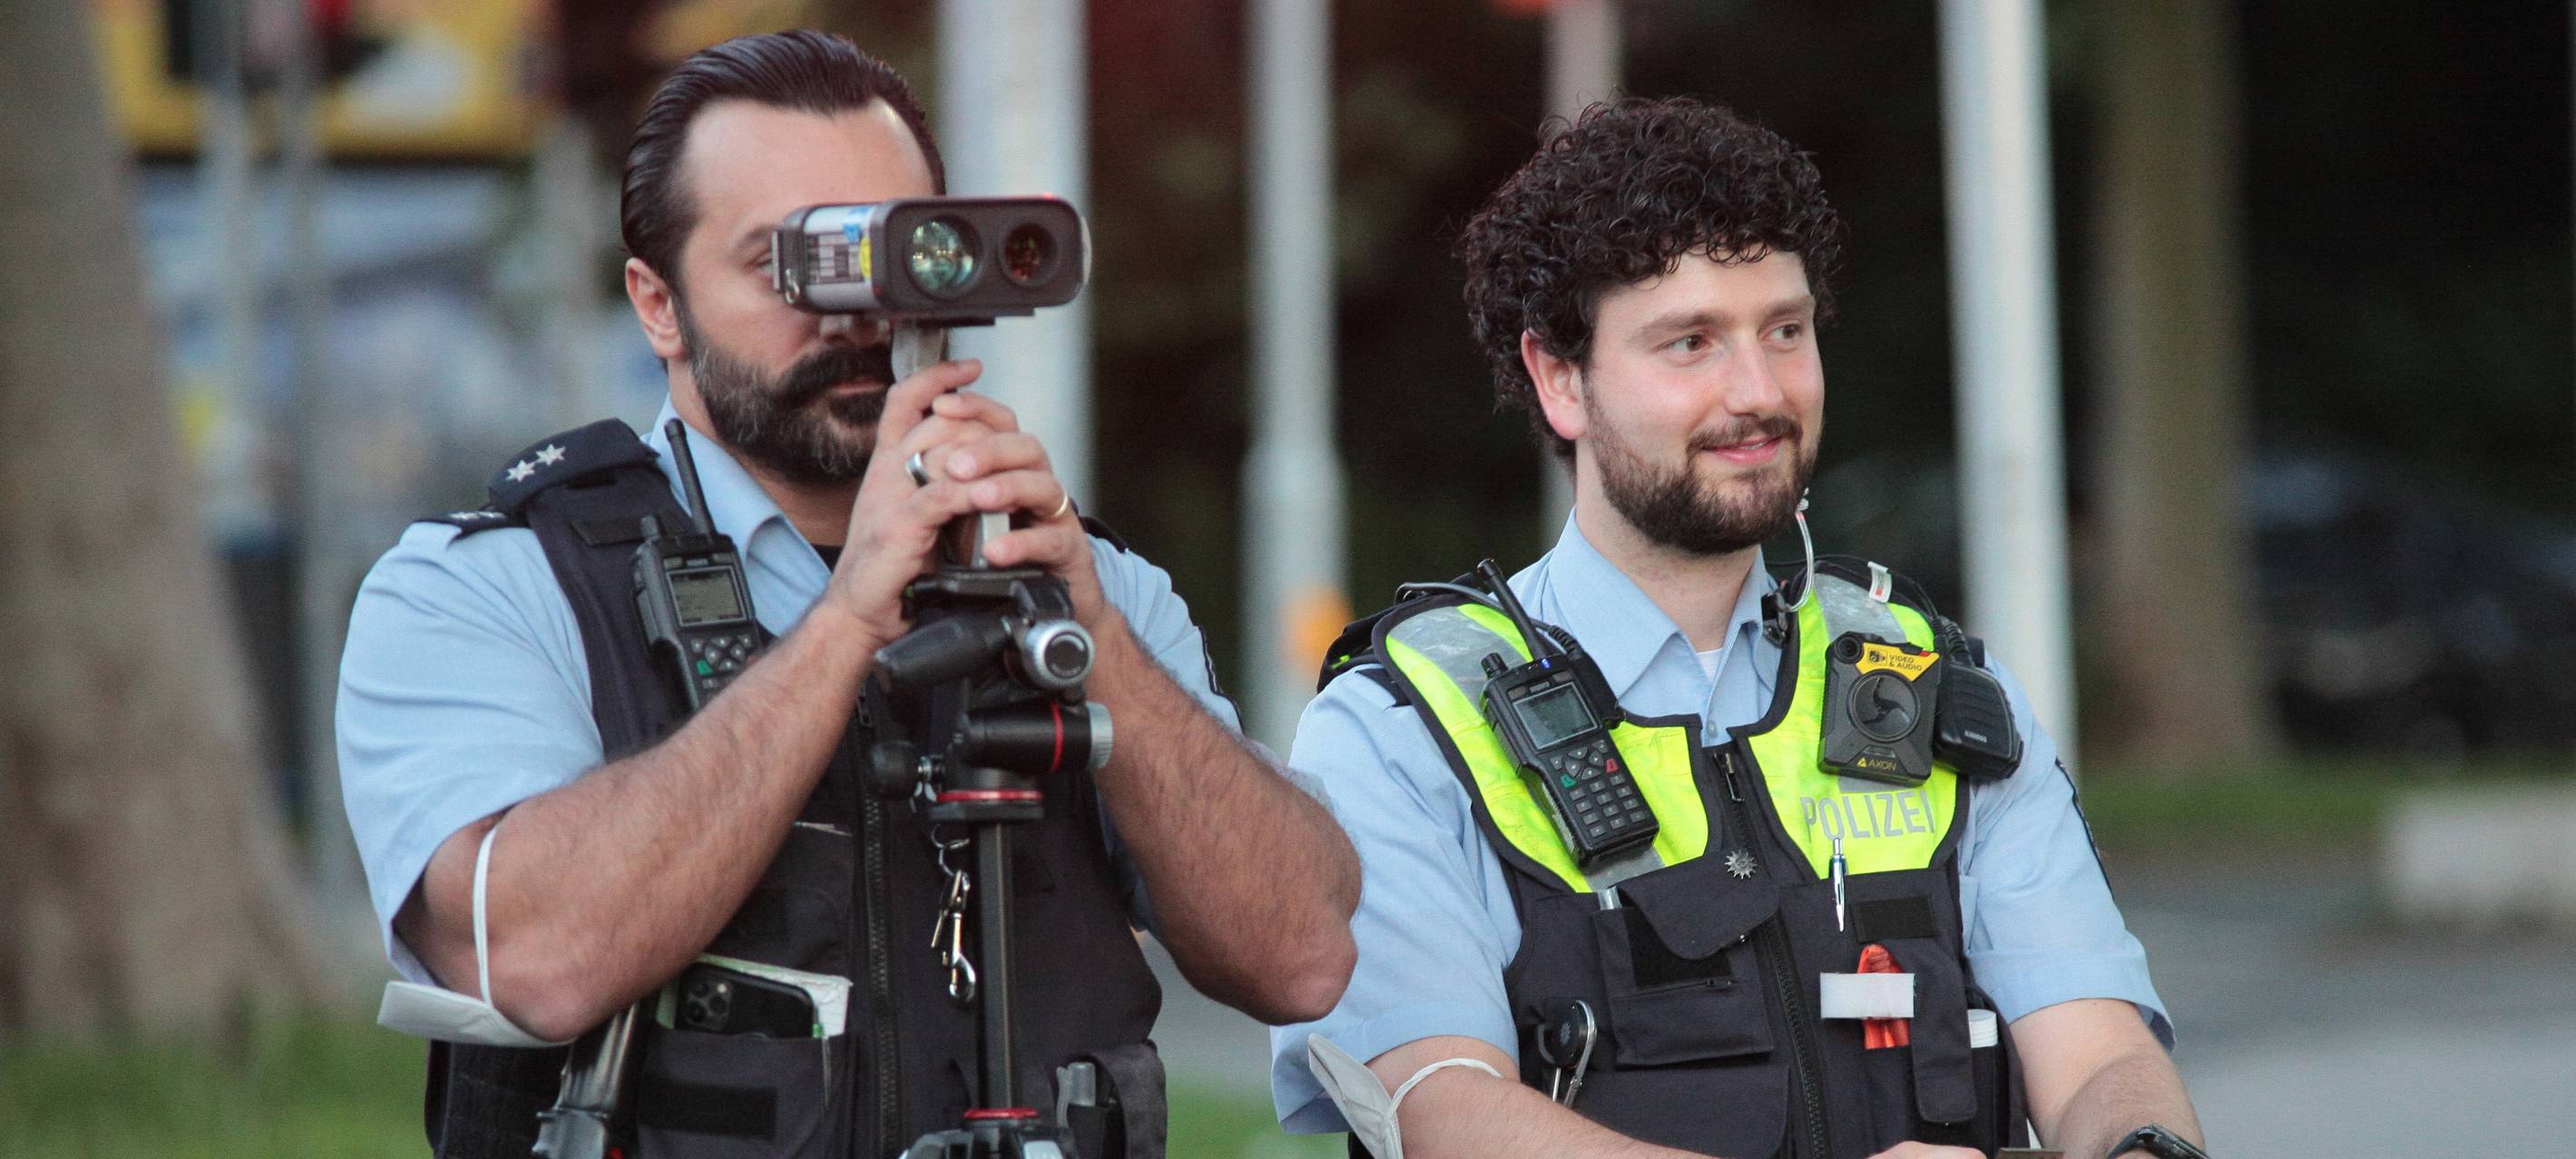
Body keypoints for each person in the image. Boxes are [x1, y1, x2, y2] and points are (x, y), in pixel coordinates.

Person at [338, 30, 1359, 1158]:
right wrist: (846, 621)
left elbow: (1302, 954)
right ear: (657, 302)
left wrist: (1089, 633)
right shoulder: (491, 586)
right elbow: (534, 959)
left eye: (893, 248)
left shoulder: (1080, 580)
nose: (855, 311)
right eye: (792, 263)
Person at [1269, 98, 2207, 1159]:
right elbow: (1443, 1110)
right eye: (1691, 342)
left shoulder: (1929, 679)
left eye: (1785, 330)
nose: (1758, 392)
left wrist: (2139, 1147)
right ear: (1560, 378)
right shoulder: (1399, 728)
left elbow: (2099, 1054)